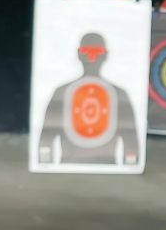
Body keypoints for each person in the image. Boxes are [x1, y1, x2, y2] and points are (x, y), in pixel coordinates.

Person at [36, 32, 141, 166]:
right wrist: (45, 167)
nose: (92, 56)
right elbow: (47, 135)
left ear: (105, 55)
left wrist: (130, 169)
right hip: (69, 171)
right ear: (79, 54)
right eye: (87, 51)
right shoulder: (61, 93)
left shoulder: (119, 94)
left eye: (97, 51)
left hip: (106, 172)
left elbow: (130, 138)